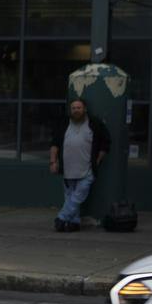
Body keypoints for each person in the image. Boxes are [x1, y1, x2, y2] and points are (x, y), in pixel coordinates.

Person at [49, 98, 109, 233]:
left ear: (85, 109)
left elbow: (106, 143)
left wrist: (98, 159)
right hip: (68, 169)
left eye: (79, 108)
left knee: (78, 196)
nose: (76, 110)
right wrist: (53, 161)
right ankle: (74, 223)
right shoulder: (64, 123)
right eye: (73, 108)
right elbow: (54, 144)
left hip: (87, 170)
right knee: (70, 196)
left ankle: (61, 217)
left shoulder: (94, 123)